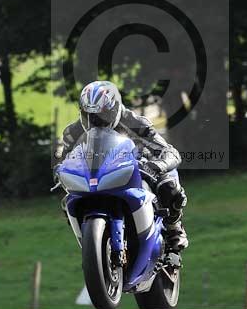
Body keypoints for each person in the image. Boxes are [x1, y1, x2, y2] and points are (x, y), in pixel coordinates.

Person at [55, 80, 189, 251]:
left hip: (140, 168)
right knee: (68, 200)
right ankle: (91, 241)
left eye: (103, 115)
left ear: (116, 109)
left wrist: (158, 165)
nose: (95, 121)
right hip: (99, 174)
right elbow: (64, 158)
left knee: (168, 185)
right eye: (89, 115)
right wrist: (58, 169)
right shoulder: (72, 132)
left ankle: (174, 228)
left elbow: (170, 152)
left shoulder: (135, 123)